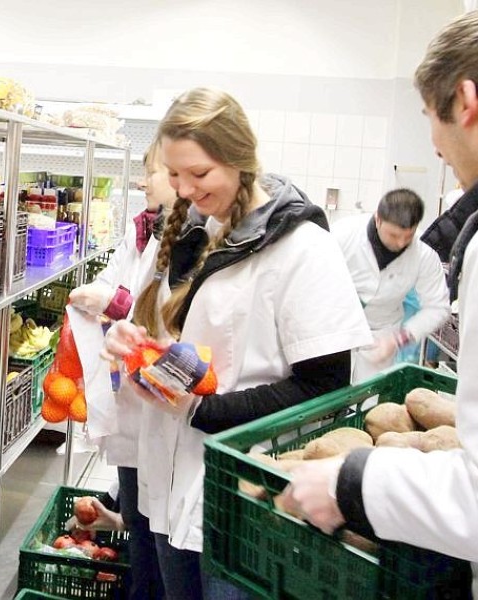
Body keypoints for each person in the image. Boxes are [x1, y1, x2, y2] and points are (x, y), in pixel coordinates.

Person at [100, 87, 372, 600]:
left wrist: (205, 411)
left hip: (246, 495)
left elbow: (325, 386)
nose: (184, 189)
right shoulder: (193, 232)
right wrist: (132, 346)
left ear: (241, 158)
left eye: (199, 175)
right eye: (175, 174)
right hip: (172, 480)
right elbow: (184, 346)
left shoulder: (301, 248)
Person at [282, 11, 478, 595]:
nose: (436, 147)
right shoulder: (340, 236)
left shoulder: (433, 253)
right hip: (350, 352)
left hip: (384, 352)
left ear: (464, 102)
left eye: (429, 119)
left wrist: (355, 484)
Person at [68, 140, 180, 600]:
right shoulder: (145, 232)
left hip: (161, 409)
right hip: (136, 409)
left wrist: (116, 305)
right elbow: (120, 281)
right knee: (141, 527)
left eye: (150, 172)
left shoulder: (187, 241)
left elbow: (166, 319)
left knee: (155, 548)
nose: (142, 181)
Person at [332, 188, 449, 381]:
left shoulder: (424, 254)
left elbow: (438, 307)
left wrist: (398, 339)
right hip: (336, 327)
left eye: (408, 236)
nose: (402, 243)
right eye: (394, 235)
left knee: (368, 401)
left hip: (382, 337)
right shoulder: (343, 234)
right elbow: (316, 282)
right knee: (328, 399)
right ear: (378, 219)